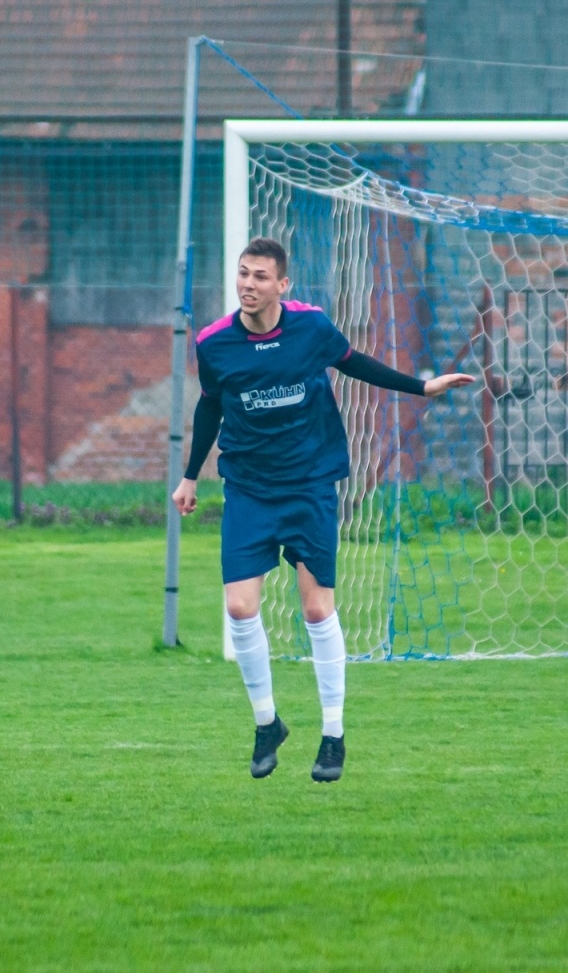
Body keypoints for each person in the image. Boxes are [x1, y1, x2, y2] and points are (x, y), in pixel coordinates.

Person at [172, 237, 474, 783]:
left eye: (261, 276)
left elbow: (355, 364)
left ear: (282, 286)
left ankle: (333, 735)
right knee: (239, 609)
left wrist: (421, 387)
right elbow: (210, 405)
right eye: (243, 274)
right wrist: (190, 476)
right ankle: (268, 724)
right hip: (249, 488)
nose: (248, 284)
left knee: (316, 611)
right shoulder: (215, 343)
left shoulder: (311, 328)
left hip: (310, 483)